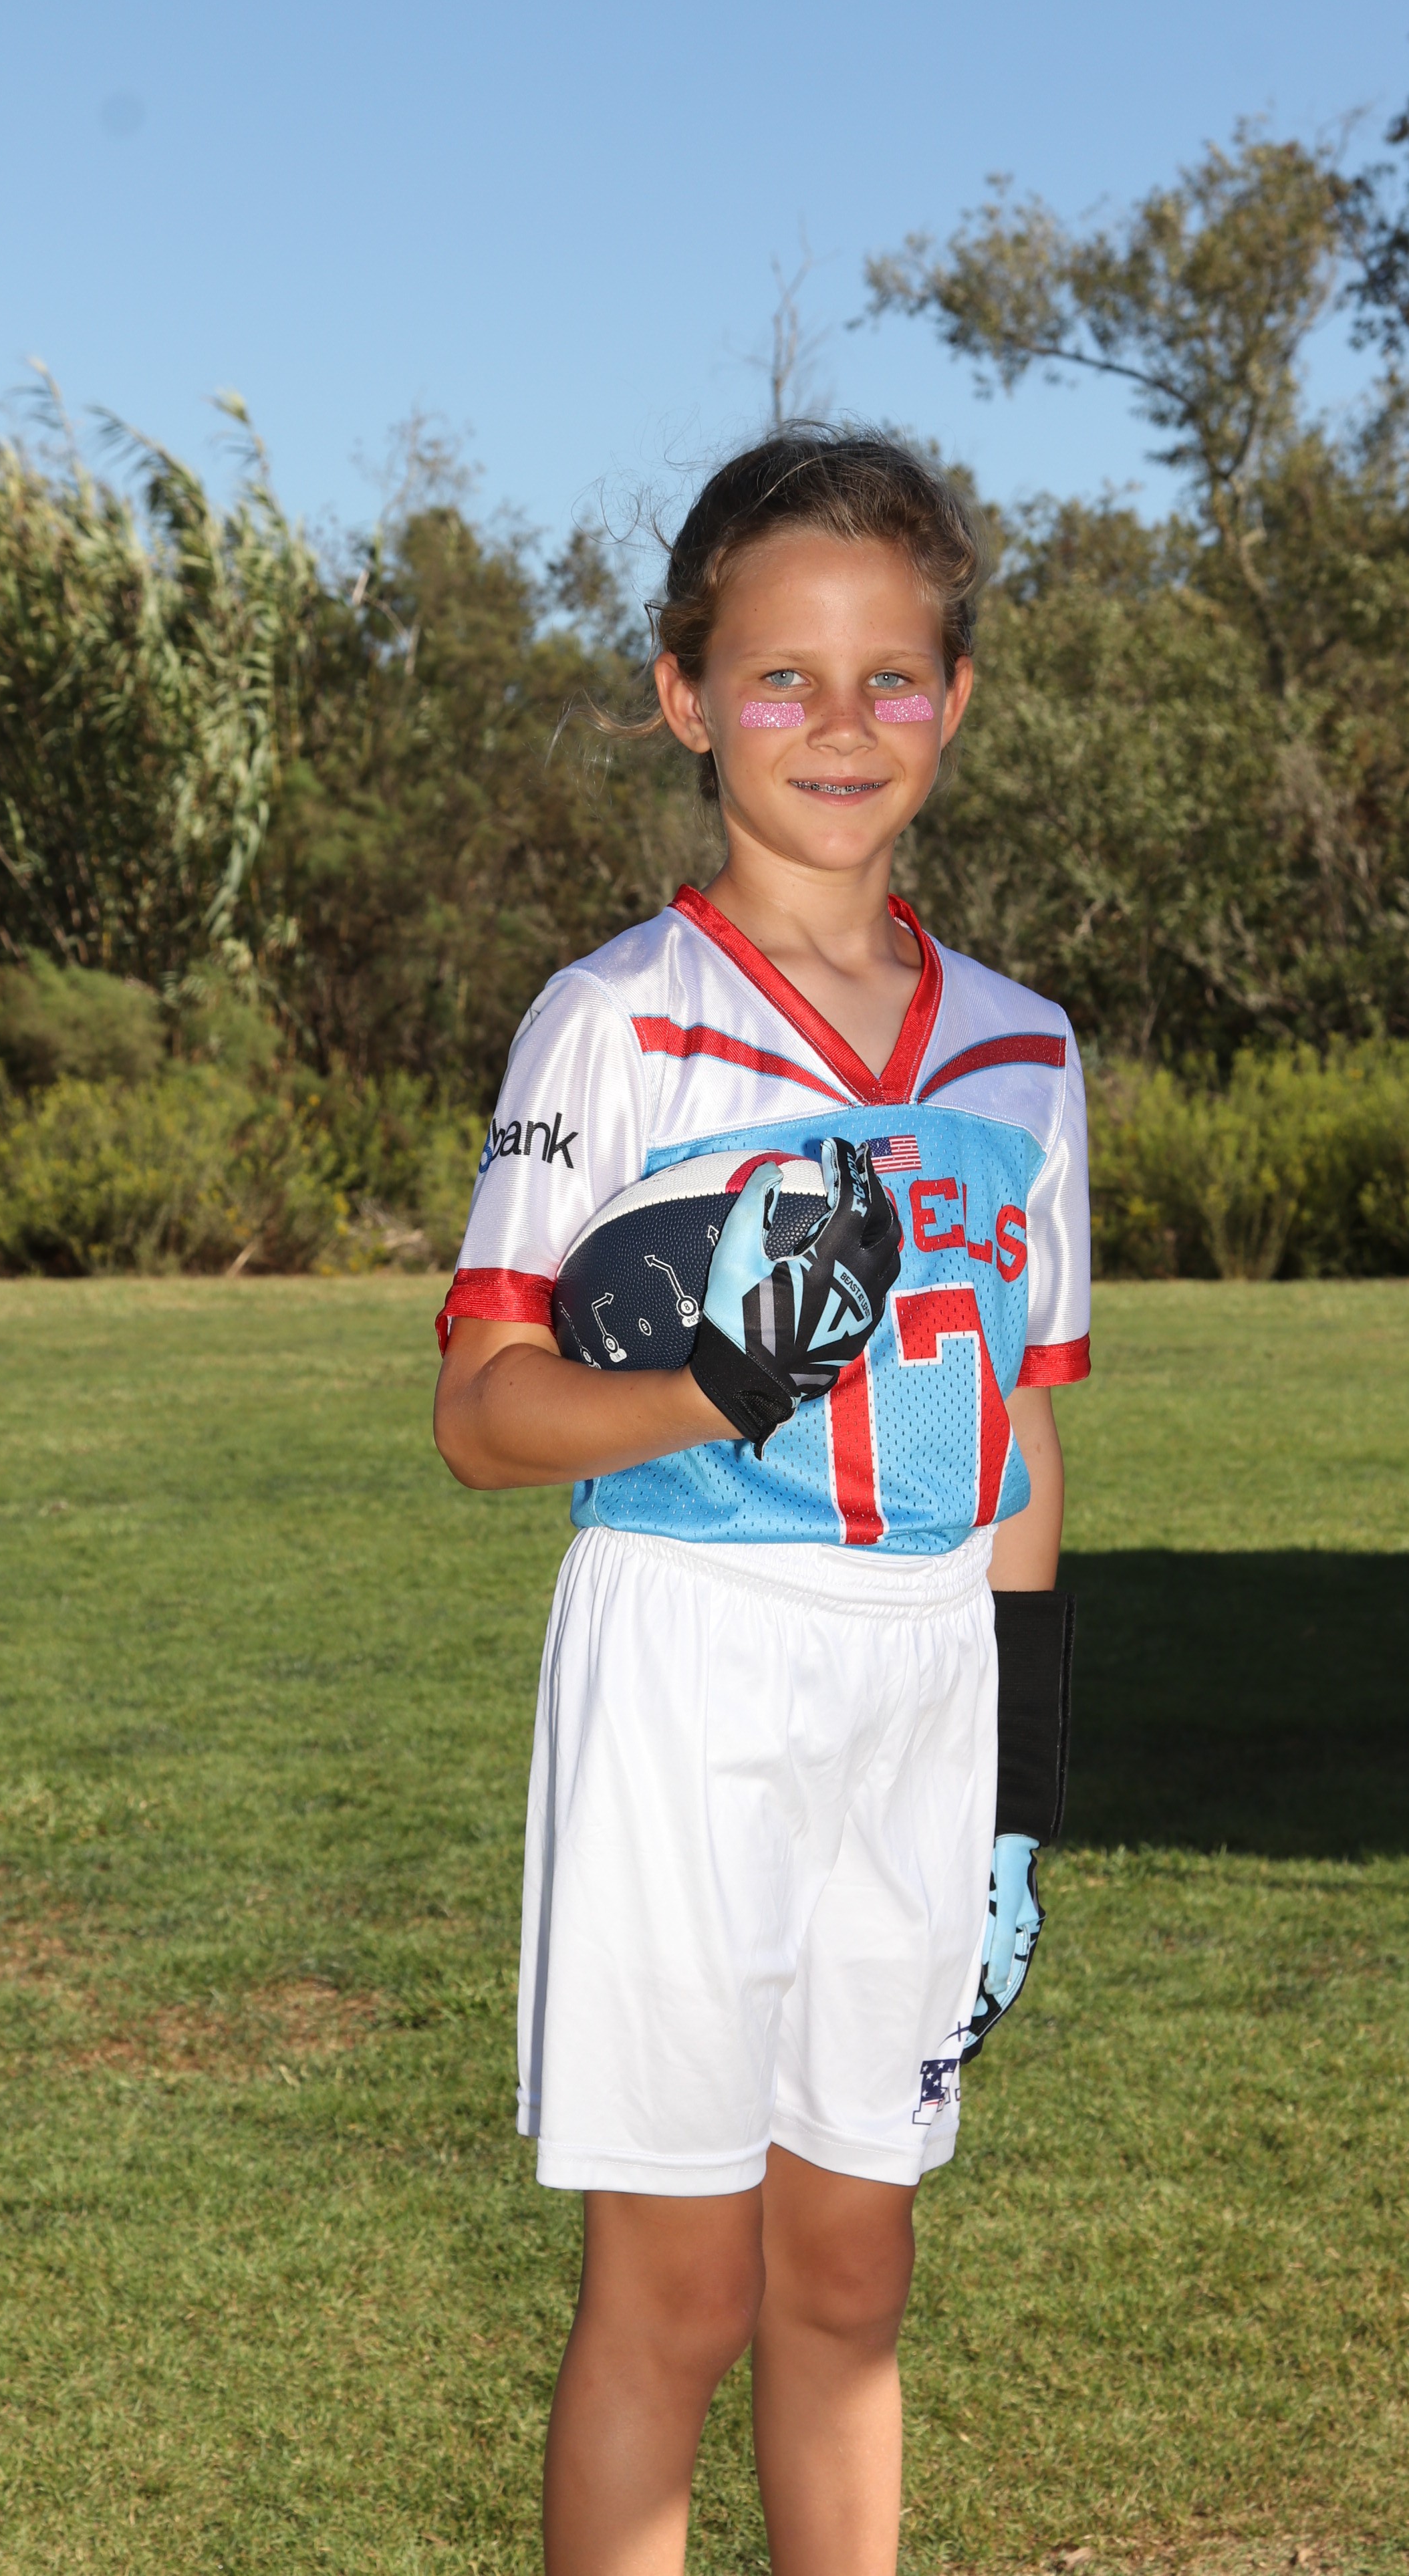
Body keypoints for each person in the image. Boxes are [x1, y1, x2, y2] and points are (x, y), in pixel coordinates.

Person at [432, 427, 1090, 2576]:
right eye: (782, 677)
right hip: (691, 1668)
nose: (840, 725)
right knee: (682, 2288)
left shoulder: (1023, 1051)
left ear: (955, 701)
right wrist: (711, 1390)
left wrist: (1021, 1798)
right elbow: (483, 1417)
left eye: (891, 676)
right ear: (685, 695)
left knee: (853, 2275)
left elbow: (1023, 1440)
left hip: (927, 1680)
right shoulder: (616, 1020)